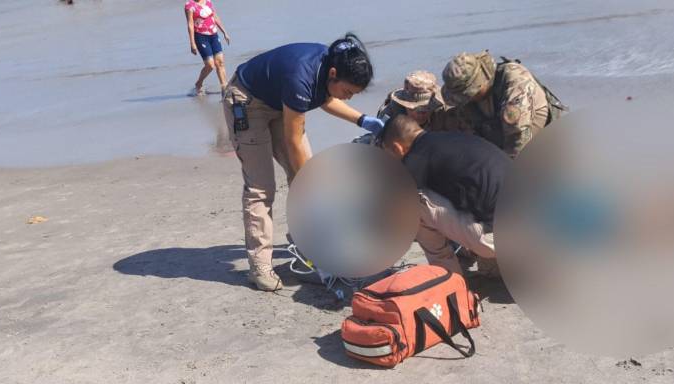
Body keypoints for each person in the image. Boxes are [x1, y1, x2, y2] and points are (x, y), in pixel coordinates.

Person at [222, 34, 384, 291]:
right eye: (348, 92)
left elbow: (326, 98)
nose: (349, 98)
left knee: (306, 178)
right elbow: (293, 139)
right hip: (246, 101)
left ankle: (307, 256)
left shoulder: (331, 67)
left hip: (280, 103)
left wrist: (362, 120)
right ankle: (259, 266)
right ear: (333, 74)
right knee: (261, 187)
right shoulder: (301, 76)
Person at [380, 115, 509, 275]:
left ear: (397, 148)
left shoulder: (416, 156)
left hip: (497, 238)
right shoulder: (453, 139)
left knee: (411, 203)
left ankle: (449, 278)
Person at [440, 51, 566, 158]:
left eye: (467, 95)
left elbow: (518, 140)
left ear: (481, 82)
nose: (465, 99)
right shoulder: (469, 102)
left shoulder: (515, 80)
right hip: (501, 145)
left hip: (541, 144)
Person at [184, 0, 231, 96]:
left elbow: (214, 16)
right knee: (210, 65)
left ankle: (224, 88)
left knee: (220, 62)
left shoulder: (208, 1)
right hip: (201, 37)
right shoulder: (189, 5)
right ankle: (199, 83)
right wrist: (192, 43)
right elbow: (190, 24)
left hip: (214, 35)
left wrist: (224, 32)